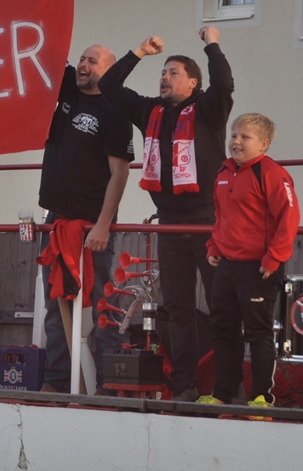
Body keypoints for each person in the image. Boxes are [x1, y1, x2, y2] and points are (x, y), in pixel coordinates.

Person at [98, 25, 234, 401]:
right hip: (171, 226)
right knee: (177, 310)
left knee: (222, 306)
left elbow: (224, 84)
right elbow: (109, 86)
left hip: (209, 223)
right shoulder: (150, 111)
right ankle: (185, 386)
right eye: (163, 72)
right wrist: (139, 52)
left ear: (192, 83)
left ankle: (228, 387)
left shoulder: (207, 108)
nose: (164, 77)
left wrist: (212, 45)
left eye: (173, 72)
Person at [36, 45, 134, 394]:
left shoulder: (115, 111)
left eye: (92, 61)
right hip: (56, 220)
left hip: (93, 225)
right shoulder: (66, 88)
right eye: (82, 58)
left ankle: (109, 386)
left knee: (102, 304)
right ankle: (57, 380)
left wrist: (104, 224)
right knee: (55, 303)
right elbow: (45, 48)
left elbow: (119, 173)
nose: (83, 64)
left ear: (108, 71)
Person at [197, 114, 299, 410]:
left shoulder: (272, 173)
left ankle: (261, 398)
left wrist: (274, 258)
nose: (236, 142)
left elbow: (289, 218)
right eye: (234, 135)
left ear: (263, 145)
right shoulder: (223, 171)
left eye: (245, 137)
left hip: (259, 268)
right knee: (222, 329)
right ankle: (223, 394)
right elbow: (221, 216)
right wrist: (214, 245)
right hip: (226, 266)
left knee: (258, 333)